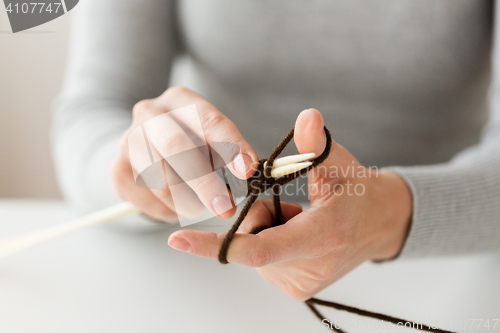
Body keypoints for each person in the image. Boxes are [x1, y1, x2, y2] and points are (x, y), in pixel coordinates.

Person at [51, 0, 500, 301]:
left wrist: (387, 214)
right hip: (208, 284)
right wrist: (134, 173)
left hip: (448, 274)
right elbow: (93, 111)